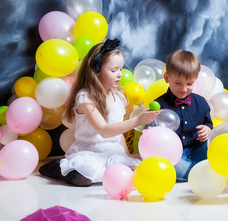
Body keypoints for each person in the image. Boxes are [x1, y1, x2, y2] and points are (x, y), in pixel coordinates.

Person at [39, 38, 161, 187]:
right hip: (89, 151)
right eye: (113, 70)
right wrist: (137, 121)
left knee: (135, 170)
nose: (119, 74)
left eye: (121, 69)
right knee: (84, 178)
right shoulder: (85, 97)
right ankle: (58, 167)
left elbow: (117, 132)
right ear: (96, 71)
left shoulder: (118, 96)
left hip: (112, 151)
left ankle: (109, 167)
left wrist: (127, 155)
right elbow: (103, 130)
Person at [148, 49, 213, 181]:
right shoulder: (158, 104)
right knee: (168, 160)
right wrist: (149, 133)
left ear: (195, 80)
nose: (184, 89)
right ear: (167, 78)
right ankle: (194, 173)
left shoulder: (200, 102)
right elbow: (150, 129)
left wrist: (207, 129)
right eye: (178, 83)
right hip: (175, 155)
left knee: (212, 146)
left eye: (189, 84)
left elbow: (208, 123)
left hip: (197, 149)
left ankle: (197, 171)